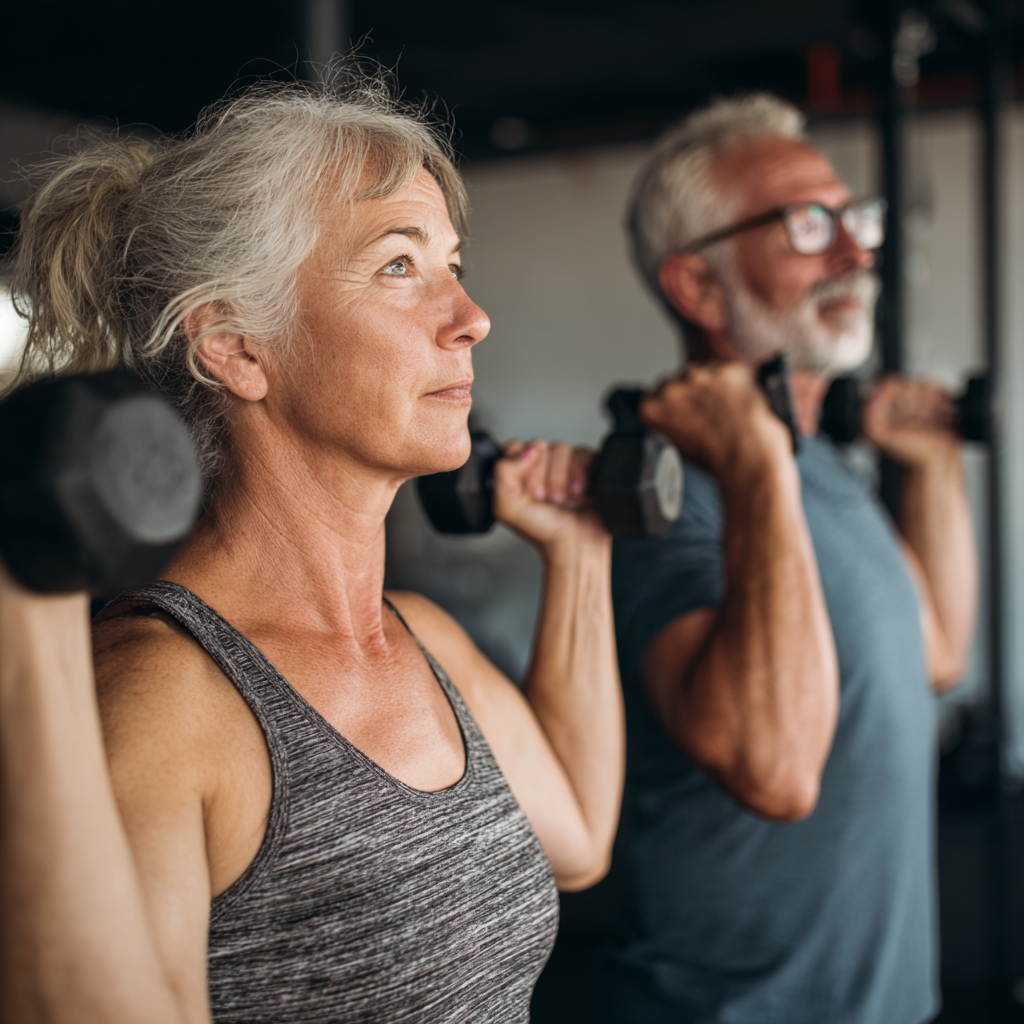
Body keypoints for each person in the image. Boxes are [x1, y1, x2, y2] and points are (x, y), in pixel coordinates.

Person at [0, 72, 629, 1024]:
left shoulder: (422, 639)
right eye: (398, 265)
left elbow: (578, 837)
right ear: (236, 346)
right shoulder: (160, 704)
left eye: (452, 263)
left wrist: (579, 555)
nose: (471, 316)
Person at [606, 94, 978, 1023]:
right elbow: (772, 771)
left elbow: (931, 656)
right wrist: (755, 460)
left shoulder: (820, 466)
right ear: (698, 287)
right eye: (808, 226)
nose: (855, 253)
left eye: (855, 221)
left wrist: (932, 468)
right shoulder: (669, 489)